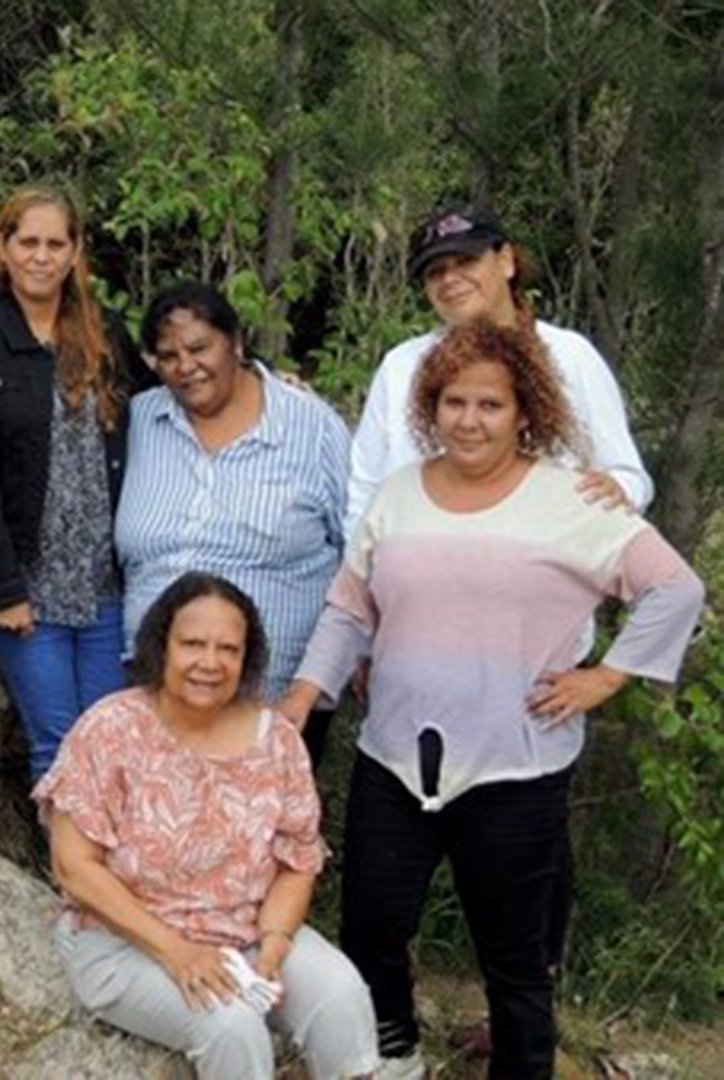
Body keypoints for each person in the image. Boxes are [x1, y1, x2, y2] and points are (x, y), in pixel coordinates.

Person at [279, 323, 705, 1079]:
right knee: (373, 926)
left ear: (524, 412)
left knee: (514, 959)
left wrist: (606, 677)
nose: (469, 420)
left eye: (490, 405)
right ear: (430, 408)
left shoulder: (571, 499)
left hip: (516, 771)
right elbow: (349, 608)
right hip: (393, 759)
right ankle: (395, 1056)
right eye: (454, 402)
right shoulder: (399, 494)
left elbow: (674, 588)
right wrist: (304, 696)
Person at [35, 572, 378, 1080]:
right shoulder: (110, 729)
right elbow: (75, 868)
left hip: (245, 933)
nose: (210, 663)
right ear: (161, 646)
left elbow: (297, 862)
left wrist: (276, 941)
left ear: (247, 658)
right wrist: (177, 952)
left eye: (228, 649)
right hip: (125, 942)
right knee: (232, 1026)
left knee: (340, 993)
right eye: (192, 644)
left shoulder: (278, 740)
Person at [0, 188, 158, 784]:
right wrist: (3, 589)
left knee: (113, 743)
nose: (41, 257)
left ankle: (111, 849)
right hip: (27, 585)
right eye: (28, 242)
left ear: (75, 251)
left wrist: (257, 373)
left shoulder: (102, 331)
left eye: (55, 244)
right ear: (3, 247)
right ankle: (67, 852)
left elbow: (166, 398)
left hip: (103, 584)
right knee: (60, 745)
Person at [115, 282, 350, 765]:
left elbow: (360, 560)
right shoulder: (138, 421)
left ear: (237, 343)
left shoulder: (312, 427)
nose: (186, 366)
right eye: (168, 356)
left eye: (200, 348)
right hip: (154, 702)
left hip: (276, 708)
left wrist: (320, 680)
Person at [347, 202, 650, 524]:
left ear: (505, 261)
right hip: (418, 548)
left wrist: (617, 489)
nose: (450, 279)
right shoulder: (401, 367)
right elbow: (364, 490)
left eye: (466, 261)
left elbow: (629, 476)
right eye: (435, 272)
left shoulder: (570, 355)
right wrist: (364, 551)